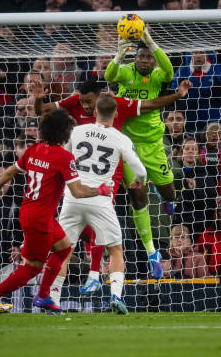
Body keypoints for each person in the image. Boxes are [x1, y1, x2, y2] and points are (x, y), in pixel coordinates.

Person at [35, 76, 192, 289]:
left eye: (89, 102)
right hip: (84, 173)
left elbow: (150, 104)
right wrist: (37, 99)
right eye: (82, 102)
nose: (85, 106)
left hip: (112, 167)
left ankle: (151, 253)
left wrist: (178, 95)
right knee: (91, 225)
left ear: (103, 97)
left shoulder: (118, 104)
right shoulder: (73, 102)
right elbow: (42, 110)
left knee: (140, 196)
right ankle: (91, 277)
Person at [0, 109, 113, 316]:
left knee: (64, 249)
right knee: (31, 268)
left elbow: (11, 171)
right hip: (39, 219)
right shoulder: (64, 157)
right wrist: (101, 190)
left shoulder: (34, 150)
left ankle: (43, 295)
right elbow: (77, 192)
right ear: (64, 132)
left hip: (33, 212)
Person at [49, 95, 147, 314]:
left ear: (94, 112)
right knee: (116, 249)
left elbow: (62, 157)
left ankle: (53, 301)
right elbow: (140, 170)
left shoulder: (76, 131)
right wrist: (138, 180)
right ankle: (115, 296)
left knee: (63, 251)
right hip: (101, 200)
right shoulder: (120, 138)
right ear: (117, 114)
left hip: (73, 198)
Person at [104, 29, 177, 280]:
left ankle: (164, 193)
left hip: (154, 143)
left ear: (153, 60)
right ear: (135, 59)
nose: (145, 60)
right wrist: (119, 54)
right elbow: (109, 74)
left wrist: (151, 41)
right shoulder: (126, 72)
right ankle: (152, 252)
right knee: (137, 194)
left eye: (149, 57)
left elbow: (169, 72)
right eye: (141, 57)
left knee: (169, 195)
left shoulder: (158, 76)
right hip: (128, 144)